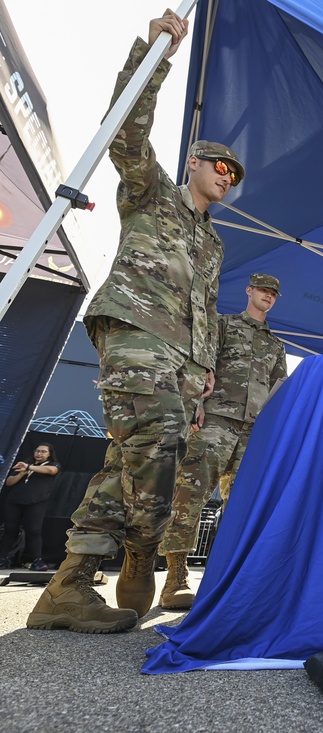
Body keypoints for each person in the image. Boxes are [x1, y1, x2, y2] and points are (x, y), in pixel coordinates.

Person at [27, 11, 245, 634]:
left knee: (132, 456)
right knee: (155, 444)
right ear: (195, 162)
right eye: (219, 165)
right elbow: (126, 127)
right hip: (134, 328)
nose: (226, 177)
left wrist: (203, 375)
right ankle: (139, 552)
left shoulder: (213, 244)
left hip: (183, 361)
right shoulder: (151, 191)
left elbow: (204, 310)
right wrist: (156, 53)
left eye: (234, 175)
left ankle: (67, 586)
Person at [158, 273, 287, 610]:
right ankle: (176, 577)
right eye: (262, 290)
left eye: (273, 293)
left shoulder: (276, 344)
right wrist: (196, 405)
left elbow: (279, 389)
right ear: (249, 291)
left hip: (254, 432)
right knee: (190, 496)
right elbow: (200, 366)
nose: (268, 296)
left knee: (241, 507)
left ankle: (222, 579)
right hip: (215, 421)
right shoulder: (224, 325)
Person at [1, 444, 61, 570]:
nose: (39, 454)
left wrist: (29, 467)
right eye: (37, 451)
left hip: (36, 502)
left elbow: (51, 471)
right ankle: (3, 558)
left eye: (43, 452)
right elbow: (9, 482)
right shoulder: (24, 464)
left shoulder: (53, 465)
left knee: (34, 531)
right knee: (10, 530)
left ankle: (37, 560)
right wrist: (22, 473)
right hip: (15, 501)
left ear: (49, 454)